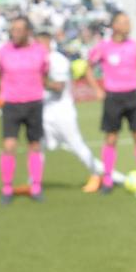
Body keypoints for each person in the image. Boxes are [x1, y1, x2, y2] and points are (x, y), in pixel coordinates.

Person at [89, 13, 136, 192]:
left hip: (133, 96)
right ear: (114, 25)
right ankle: (107, 179)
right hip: (113, 98)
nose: (127, 25)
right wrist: (97, 89)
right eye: (124, 22)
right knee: (111, 138)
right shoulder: (103, 47)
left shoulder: (133, 45)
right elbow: (88, 68)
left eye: (128, 21)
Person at [0, 16, 48, 205]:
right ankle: (7, 188)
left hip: (34, 103)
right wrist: (4, 92)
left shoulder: (39, 51)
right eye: (12, 29)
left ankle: (36, 186)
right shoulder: (2, 52)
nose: (14, 33)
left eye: (18, 29)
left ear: (28, 32)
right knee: (9, 146)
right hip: (12, 104)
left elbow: (44, 73)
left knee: (35, 145)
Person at [34, 29, 100, 190]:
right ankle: (33, 182)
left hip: (62, 112)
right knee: (37, 146)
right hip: (44, 111)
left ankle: (96, 174)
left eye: (39, 42)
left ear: (47, 42)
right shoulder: (36, 59)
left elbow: (58, 86)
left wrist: (36, 80)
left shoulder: (58, 60)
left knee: (76, 144)